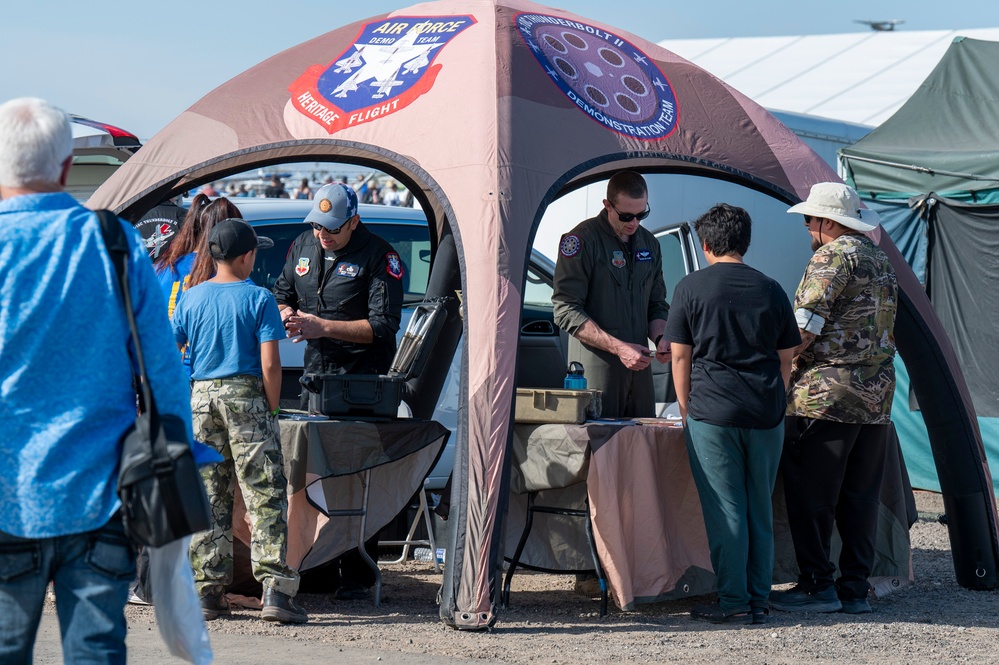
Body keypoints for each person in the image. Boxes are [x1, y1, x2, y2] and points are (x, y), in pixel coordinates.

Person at [0, 97, 192, 662]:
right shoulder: (114, 243)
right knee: (97, 647)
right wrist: (177, 449)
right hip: (103, 490)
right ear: (65, 168)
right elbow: (163, 371)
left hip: (7, 492)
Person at [664, 204, 800, 625]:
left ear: (705, 245)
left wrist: (686, 408)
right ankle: (759, 599)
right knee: (760, 506)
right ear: (745, 242)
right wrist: (777, 401)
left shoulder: (691, 287)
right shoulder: (772, 288)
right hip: (765, 413)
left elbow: (680, 357)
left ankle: (734, 602)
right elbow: (786, 359)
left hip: (713, 412)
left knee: (727, 509)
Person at [769, 182, 898, 616]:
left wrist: (773, 363)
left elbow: (803, 327)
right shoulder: (880, 259)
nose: (806, 227)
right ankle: (855, 588)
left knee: (811, 495)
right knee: (860, 497)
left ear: (827, 221)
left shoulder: (831, 256)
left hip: (825, 396)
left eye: (809, 219)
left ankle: (816, 585)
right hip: (876, 397)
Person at [171, 218, 308, 624]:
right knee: (264, 492)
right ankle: (276, 593)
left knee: (209, 494)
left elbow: (167, 347)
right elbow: (270, 363)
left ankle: (208, 593)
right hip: (245, 396)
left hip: (201, 398)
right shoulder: (258, 298)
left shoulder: (191, 298)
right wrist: (272, 408)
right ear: (247, 256)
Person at [272, 182, 404, 599]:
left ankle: (359, 573)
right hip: (316, 379)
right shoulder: (302, 247)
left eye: (331, 228)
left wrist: (322, 327)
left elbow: (384, 327)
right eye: (317, 227)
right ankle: (319, 565)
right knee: (314, 477)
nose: (322, 235)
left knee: (358, 478)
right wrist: (288, 313)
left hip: (362, 383)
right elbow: (281, 294)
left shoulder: (381, 256)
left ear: (354, 221)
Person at [551, 170, 671, 418]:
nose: (634, 223)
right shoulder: (581, 241)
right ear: (607, 205)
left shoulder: (649, 244)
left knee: (641, 448)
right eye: (626, 215)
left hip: (639, 375)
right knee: (597, 451)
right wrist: (619, 348)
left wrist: (661, 338)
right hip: (596, 374)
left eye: (641, 214)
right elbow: (565, 309)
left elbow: (657, 304)